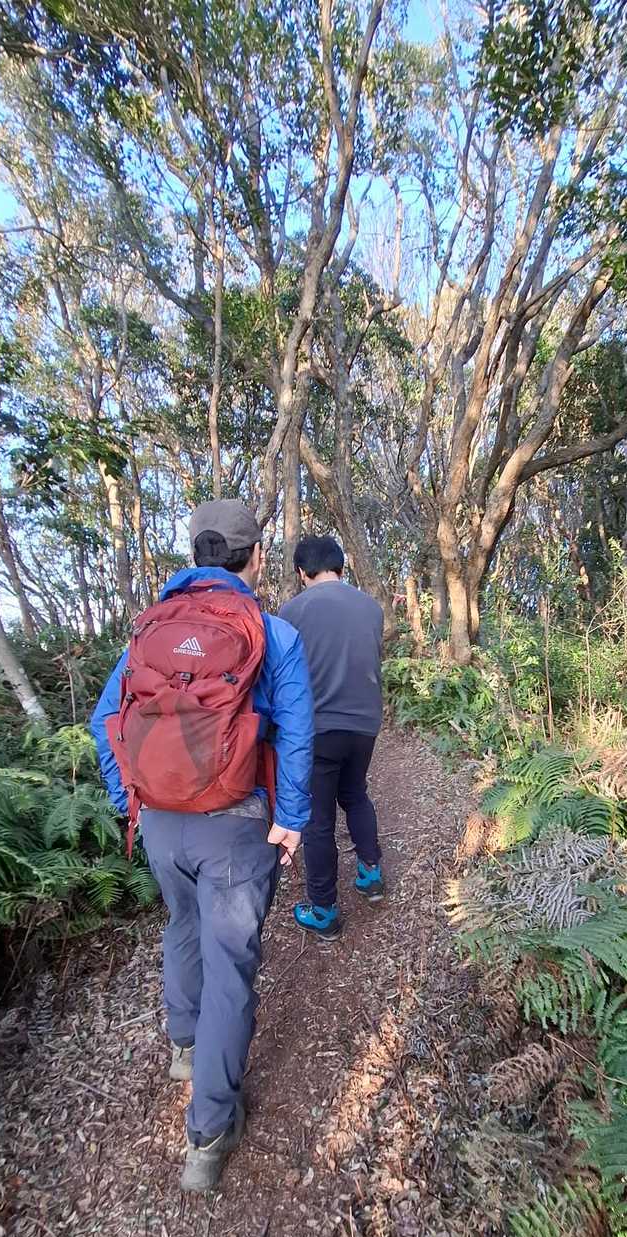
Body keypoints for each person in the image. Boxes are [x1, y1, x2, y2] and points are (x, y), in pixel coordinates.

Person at [90, 500, 313, 1192]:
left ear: (195, 554)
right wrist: (292, 817)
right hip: (235, 825)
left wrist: (130, 798)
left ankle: (184, 1047)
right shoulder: (272, 634)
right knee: (230, 966)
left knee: (182, 924)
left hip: (160, 821)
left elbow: (105, 720)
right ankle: (210, 1132)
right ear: (255, 557)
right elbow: (297, 733)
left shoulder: (149, 630)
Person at [279, 534, 385, 940]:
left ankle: (323, 910)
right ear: (341, 566)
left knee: (318, 818)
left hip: (317, 729)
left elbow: (284, 678)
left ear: (301, 572)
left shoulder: (292, 611)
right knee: (355, 793)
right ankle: (371, 873)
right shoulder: (371, 608)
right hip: (365, 724)